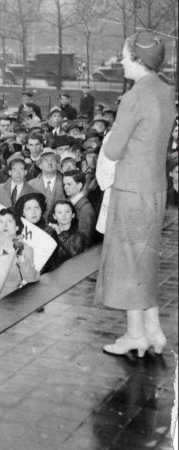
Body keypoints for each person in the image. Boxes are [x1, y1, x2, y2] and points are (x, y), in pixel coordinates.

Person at [96, 32, 173, 358]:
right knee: (145, 262)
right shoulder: (165, 90)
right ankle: (152, 329)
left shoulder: (134, 97)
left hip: (131, 189)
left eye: (126, 57)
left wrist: (113, 135)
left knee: (128, 263)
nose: (122, 61)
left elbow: (113, 150)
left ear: (139, 61)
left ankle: (134, 334)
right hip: (155, 187)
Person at [14, 192, 60, 273]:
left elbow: (47, 264)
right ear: (23, 213)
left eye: (36, 208)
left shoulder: (49, 232)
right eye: (28, 208)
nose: (33, 212)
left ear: (41, 210)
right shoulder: (17, 231)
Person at [48, 200, 90, 264]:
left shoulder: (79, 236)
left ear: (73, 215)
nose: (63, 215)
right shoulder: (51, 234)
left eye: (67, 212)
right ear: (54, 216)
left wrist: (59, 234)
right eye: (59, 212)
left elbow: (74, 252)